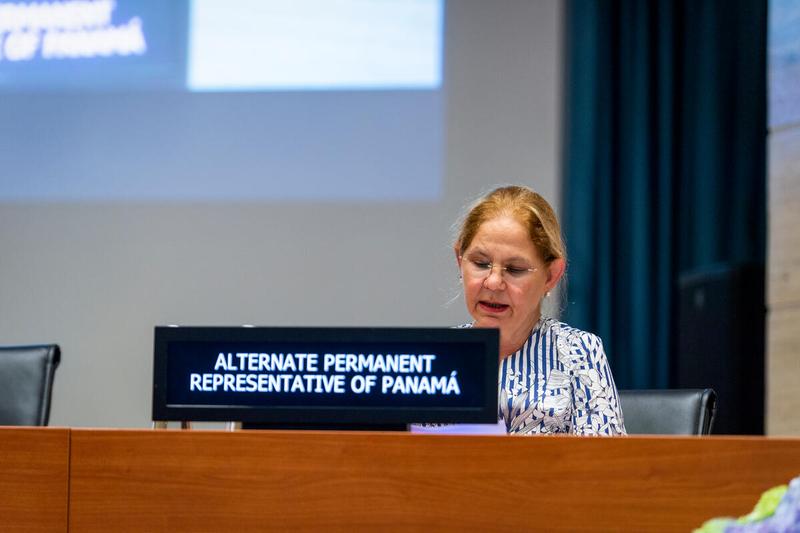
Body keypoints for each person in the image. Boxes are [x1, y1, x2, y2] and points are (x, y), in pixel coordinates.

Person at [454, 185, 625, 435]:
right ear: (460, 261)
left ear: (551, 276)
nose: (493, 282)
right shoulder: (438, 355)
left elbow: (606, 467)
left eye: (515, 269)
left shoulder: (579, 353)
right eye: (481, 264)